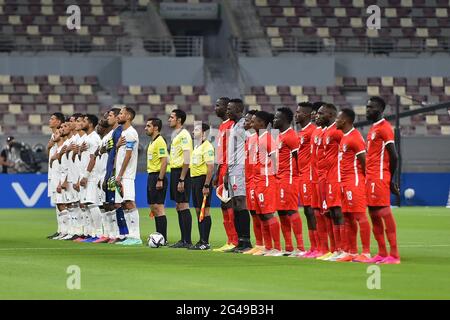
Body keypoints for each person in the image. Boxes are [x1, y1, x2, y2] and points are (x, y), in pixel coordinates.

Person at [365, 96, 401, 264]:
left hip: (379, 176)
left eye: (370, 107)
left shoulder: (385, 128)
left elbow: (394, 156)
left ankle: (394, 254)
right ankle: (381, 252)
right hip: (370, 177)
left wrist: (390, 179)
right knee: (373, 214)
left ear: (378, 110)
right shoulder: (373, 128)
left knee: (384, 213)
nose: (367, 110)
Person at [335, 108, 371, 262]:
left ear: (345, 120)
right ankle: (352, 252)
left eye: (338, 118)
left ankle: (366, 252)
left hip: (354, 182)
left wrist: (364, 183)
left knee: (359, 216)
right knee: (347, 217)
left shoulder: (355, 137)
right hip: (344, 182)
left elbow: (365, 163)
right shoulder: (344, 137)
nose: (336, 121)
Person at [273, 107, 305, 257]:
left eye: (276, 118)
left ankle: (300, 247)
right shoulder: (279, 136)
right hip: (280, 178)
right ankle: (289, 247)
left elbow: (298, 158)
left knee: (291, 210)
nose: (274, 120)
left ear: (285, 120)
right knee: (281, 212)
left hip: (290, 178)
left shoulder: (291, 136)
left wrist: (298, 176)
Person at [317, 103, 347, 262]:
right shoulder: (325, 132)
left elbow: (350, 148)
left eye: (321, 113)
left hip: (336, 176)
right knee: (329, 213)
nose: (318, 116)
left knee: (338, 212)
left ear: (330, 115)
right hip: (326, 177)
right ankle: (336, 249)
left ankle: (344, 249)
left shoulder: (337, 131)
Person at [252, 111, 282, 256]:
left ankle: (277, 248)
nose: (252, 123)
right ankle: (268, 247)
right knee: (261, 215)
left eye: (254, 121)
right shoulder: (258, 138)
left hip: (266, 181)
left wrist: (271, 176)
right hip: (258, 182)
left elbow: (276, 159)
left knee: (269, 214)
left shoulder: (268, 139)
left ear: (262, 123)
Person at [225, 99, 252, 252]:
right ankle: (240, 241)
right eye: (227, 108)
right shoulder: (234, 125)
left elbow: (252, 139)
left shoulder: (243, 124)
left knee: (241, 203)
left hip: (240, 169)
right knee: (235, 204)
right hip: (232, 169)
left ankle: (246, 241)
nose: (228, 111)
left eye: (230, 108)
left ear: (239, 109)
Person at [212, 97, 239, 252]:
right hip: (222, 170)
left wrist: (228, 171)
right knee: (224, 205)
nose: (215, 108)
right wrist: (217, 171)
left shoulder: (232, 125)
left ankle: (235, 240)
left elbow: (233, 151)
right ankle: (229, 240)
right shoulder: (222, 126)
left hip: (231, 170)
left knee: (230, 205)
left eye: (218, 106)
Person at [114, 107, 141, 246]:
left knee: (129, 203)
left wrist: (120, 174)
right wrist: (118, 146)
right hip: (121, 175)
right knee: (124, 205)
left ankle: (136, 236)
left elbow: (129, 155)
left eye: (121, 114)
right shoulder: (124, 133)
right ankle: (130, 235)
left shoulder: (130, 133)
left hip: (127, 176)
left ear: (129, 116)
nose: (119, 116)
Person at [295, 102, 319, 257]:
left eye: (299, 112)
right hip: (302, 176)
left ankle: (319, 247)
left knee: (313, 211)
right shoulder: (301, 132)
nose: (296, 114)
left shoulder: (313, 131)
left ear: (307, 114)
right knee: (307, 211)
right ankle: (314, 248)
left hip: (311, 176)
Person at [168, 109, 194, 248]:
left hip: (181, 173)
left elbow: (187, 158)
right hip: (175, 171)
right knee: (179, 205)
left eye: (171, 117)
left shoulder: (184, 135)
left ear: (179, 120)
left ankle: (187, 240)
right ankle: (183, 239)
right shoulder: (176, 135)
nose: (169, 119)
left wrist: (182, 179)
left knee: (183, 204)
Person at [242, 110, 265, 256]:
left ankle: (268, 245)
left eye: (251, 119)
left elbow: (270, 163)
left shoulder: (267, 137)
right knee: (254, 213)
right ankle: (259, 244)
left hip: (262, 181)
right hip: (250, 180)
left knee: (264, 213)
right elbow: (250, 162)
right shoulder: (250, 138)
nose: (249, 122)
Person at [189, 122, 215, 250]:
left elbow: (210, 167)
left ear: (204, 133)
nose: (194, 132)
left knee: (205, 210)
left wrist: (206, 185)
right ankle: (201, 240)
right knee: (198, 210)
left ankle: (205, 242)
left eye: (197, 130)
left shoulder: (207, 147)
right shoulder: (197, 147)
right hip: (194, 180)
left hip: (202, 180)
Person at [79, 114, 103, 242]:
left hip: (92, 176)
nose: (82, 122)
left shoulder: (94, 139)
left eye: (85, 121)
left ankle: (98, 233)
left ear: (91, 124)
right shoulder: (87, 138)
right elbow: (84, 158)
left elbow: (93, 158)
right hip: (86, 175)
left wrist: (86, 176)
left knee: (92, 203)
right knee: (87, 205)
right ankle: (90, 233)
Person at [145, 117, 169, 245]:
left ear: (155, 128)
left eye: (148, 126)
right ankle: (159, 235)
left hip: (157, 177)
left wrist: (160, 179)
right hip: (151, 176)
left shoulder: (160, 141)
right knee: (153, 207)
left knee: (159, 207)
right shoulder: (152, 142)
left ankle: (163, 238)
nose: (145, 128)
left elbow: (164, 161)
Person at [46, 113, 65, 239]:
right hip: (53, 172)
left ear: (59, 122)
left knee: (63, 202)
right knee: (57, 203)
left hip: (60, 172)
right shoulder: (53, 136)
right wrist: (49, 146)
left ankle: (66, 230)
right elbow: (49, 155)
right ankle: (60, 230)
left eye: (53, 119)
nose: (50, 120)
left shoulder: (61, 136)